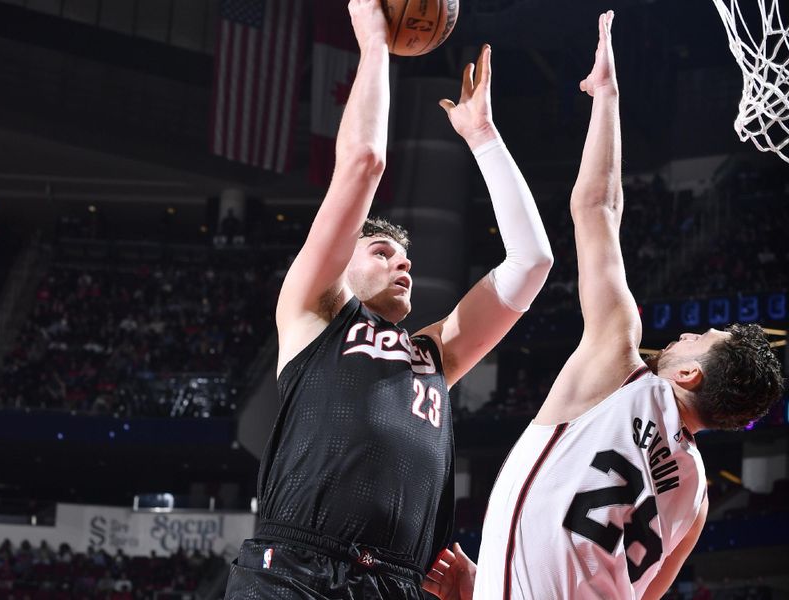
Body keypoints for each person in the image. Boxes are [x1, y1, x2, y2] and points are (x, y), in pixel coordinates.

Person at [425, 11, 784, 600]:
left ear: (692, 373)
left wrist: (607, 98)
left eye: (700, 338)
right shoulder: (693, 499)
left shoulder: (623, 371)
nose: (684, 337)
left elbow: (597, 207)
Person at [222, 0, 553, 598]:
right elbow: (363, 163)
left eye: (405, 258)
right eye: (380, 252)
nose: (402, 260)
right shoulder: (314, 312)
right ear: (341, 263)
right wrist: (374, 41)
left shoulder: (433, 354)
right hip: (294, 568)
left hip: (396, 585)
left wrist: (483, 137)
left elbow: (532, 263)